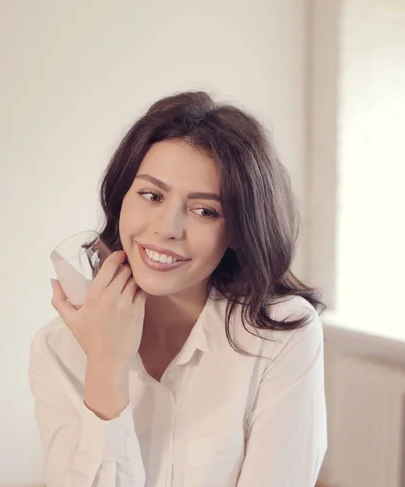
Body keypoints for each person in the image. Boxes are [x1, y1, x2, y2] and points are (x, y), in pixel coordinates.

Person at [29, 91, 327, 487]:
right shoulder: (56, 350)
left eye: (205, 210)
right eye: (151, 195)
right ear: (122, 200)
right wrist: (106, 367)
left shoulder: (279, 334)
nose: (167, 228)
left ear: (239, 228)